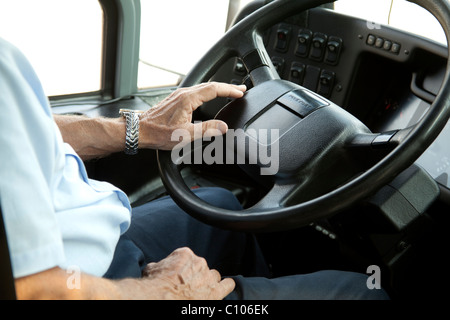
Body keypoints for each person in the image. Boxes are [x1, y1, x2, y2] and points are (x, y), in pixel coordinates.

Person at [0, 37, 389, 300]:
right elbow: (36, 290)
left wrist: (137, 128)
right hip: (75, 282)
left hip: (75, 241)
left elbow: (26, 128)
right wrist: (164, 290)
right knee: (365, 292)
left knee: (220, 206)